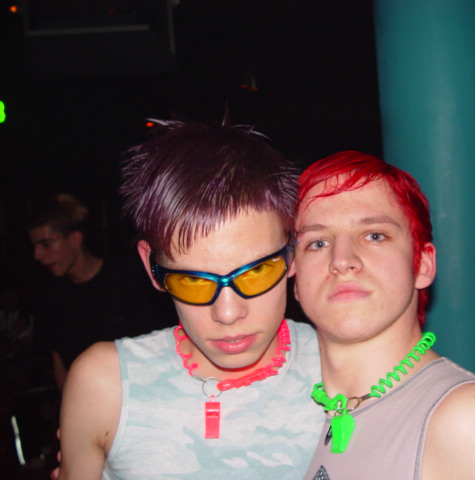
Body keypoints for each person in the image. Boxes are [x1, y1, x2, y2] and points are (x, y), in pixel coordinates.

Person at [57, 120, 323, 479]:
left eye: (257, 271)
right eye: (193, 280)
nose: (228, 313)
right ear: (152, 269)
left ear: (293, 253)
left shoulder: (344, 367)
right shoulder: (106, 383)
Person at [293, 151, 475, 479]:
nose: (341, 259)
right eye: (317, 243)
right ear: (295, 278)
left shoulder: (471, 421)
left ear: (422, 264)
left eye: (375, 235)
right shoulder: (299, 413)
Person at [26, 194, 174, 391]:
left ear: (75, 239)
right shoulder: (50, 297)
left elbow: (159, 348)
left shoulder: (128, 281)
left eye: (45, 244)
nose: (37, 255)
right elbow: (60, 370)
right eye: (35, 246)